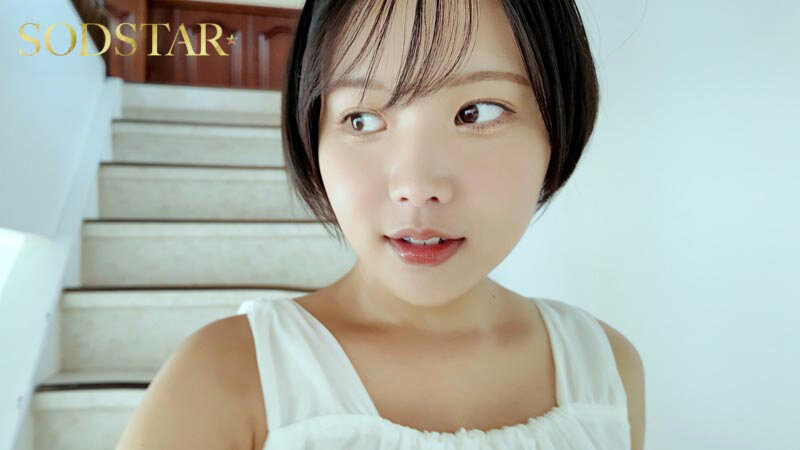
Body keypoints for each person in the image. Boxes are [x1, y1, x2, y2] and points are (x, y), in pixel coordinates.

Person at [116, 0, 645, 449]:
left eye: (478, 112)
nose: (416, 185)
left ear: (558, 126)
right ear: (312, 132)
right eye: (362, 119)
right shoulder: (223, 377)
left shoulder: (606, 371)